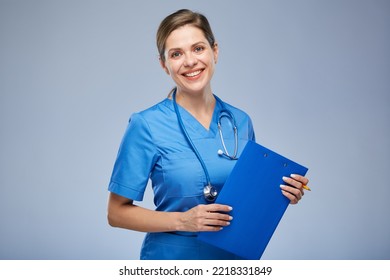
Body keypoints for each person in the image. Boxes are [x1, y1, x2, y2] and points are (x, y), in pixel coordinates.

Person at [107, 9, 309, 260]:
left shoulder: (240, 121)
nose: (190, 61)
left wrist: (281, 194)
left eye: (198, 48)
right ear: (164, 64)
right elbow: (116, 214)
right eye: (176, 54)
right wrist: (183, 221)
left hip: (233, 260)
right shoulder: (146, 124)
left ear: (215, 51)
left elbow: (248, 197)